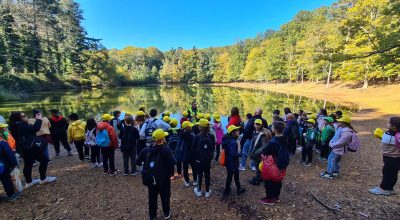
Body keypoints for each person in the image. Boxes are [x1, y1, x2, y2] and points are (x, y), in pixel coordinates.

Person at [136, 129, 176, 220]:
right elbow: (173, 162)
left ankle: (152, 215)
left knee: (152, 197)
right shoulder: (166, 150)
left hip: (151, 179)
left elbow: (138, 162)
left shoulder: (146, 150)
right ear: (162, 139)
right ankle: (166, 213)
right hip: (164, 179)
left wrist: (146, 165)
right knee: (165, 196)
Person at [12, 111, 56, 187]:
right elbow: (35, 128)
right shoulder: (21, 126)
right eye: (24, 116)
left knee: (28, 164)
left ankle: (29, 182)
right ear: (18, 118)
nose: (26, 116)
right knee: (44, 160)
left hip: (23, 148)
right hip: (30, 147)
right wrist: (39, 119)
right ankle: (43, 179)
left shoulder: (14, 125)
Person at [259, 121, 288, 206]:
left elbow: (265, 151)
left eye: (272, 127)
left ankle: (269, 199)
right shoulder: (285, 139)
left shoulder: (273, 142)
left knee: (269, 181)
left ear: (275, 130)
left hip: (273, 164)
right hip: (282, 164)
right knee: (278, 180)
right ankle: (276, 196)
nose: (271, 128)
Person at [369, 117, 400, 196]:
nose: (387, 124)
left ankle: (385, 189)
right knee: (390, 173)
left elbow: (393, 141)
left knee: (388, 173)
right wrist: (380, 136)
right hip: (389, 157)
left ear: (394, 126)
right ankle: (389, 188)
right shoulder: (391, 132)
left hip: (393, 158)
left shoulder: (397, 136)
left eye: (389, 122)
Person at [221, 125, 246, 199]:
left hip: (228, 161)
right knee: (233, 176)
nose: (238, 131)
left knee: (232, 175)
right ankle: (229, 190)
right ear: (233, 133)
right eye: (237, 130)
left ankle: (233, 189)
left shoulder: (227, 140)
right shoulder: (233, 142)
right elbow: (233, 154)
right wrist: (240, 154)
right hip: (233, 163)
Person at [193, 119, 215, 198]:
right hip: (207, 159)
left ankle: (198, 190)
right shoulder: (211, 136)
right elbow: (213, 148)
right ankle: (207, 191)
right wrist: (211, 157)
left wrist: (195, 158)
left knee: (199, 174)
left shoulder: (196, 137)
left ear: (200, 127)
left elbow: (193, 148)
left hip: (199, 159)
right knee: (207, 174)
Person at [248, 119, 272, 185]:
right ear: (254, 124)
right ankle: (260, 177)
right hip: (255, 152)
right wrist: (251, 151)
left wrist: (256, 153)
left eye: (258, 124)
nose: (257, 125)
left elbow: (264, 146)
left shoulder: (262, 134)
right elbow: (253, 143)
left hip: (259, 154)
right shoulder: (254, 132)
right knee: (257, 166)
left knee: (259, 166)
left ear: (261, 125)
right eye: (256, 124)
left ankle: (258, 180)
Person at [176, 121, 197, 187]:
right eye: (190, 126)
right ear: (187, 127)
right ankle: (195, 180)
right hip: (192, 154)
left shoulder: (180, 134)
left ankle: (187, 181)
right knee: (194, 167)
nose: (191, 127)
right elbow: (195, 144)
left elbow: (179, 145)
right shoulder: (192, 134)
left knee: (185, 168)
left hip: (184, 154)